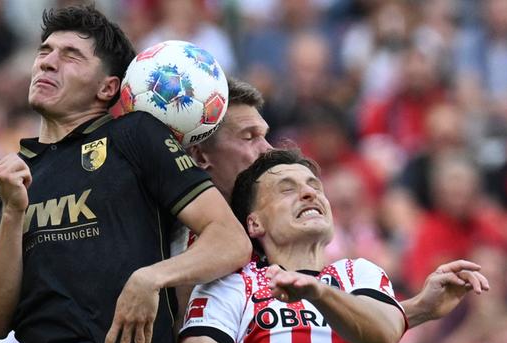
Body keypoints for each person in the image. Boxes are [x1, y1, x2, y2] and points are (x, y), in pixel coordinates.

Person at [0, 5, 251, 343]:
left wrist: (151, 278)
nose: (47, 60)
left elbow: (230, 240)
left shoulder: (134, 138)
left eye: (71, 55)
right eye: (45, 50)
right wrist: (13, 214)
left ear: (107, 87)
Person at [165, 149, 489, 343]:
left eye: (314, 186)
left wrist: (318, 293)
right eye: (286, 189)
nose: (309, 194)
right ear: (254, 224)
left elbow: (385, 335)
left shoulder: (358, 274)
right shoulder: (232, 285)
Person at [186, 77, 488, 329]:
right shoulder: (187, 240)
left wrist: (419, 307)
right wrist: (153, 278)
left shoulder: (354, 272)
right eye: (249, 137)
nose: (266, 149)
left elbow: (360, 330)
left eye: (315, 186)